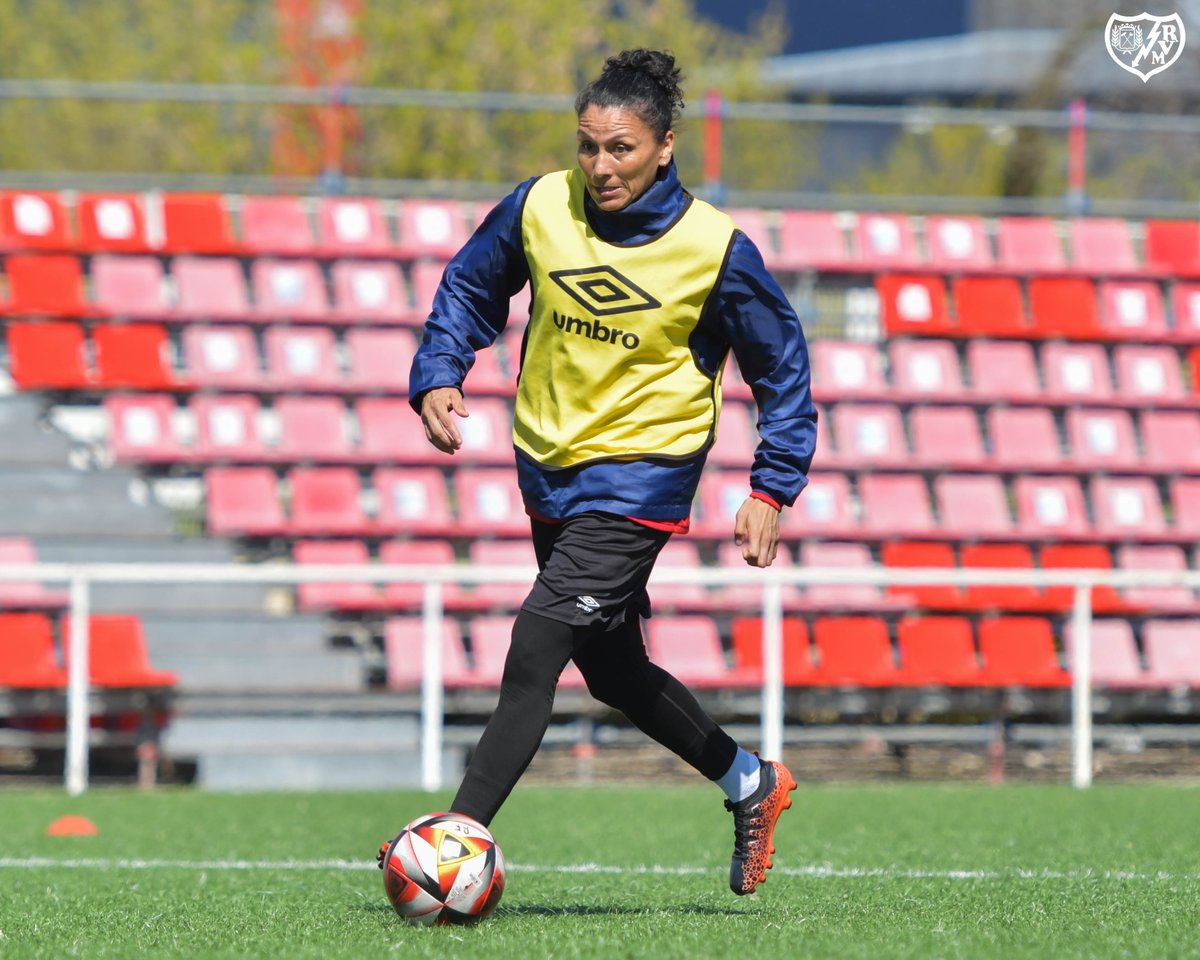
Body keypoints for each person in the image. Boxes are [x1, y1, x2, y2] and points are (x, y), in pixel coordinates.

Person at [406, 48, 817, 896]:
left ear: (665, 145)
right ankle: (752, 784)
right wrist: (441, 370)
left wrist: (772, 486)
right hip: (550, 468)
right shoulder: (539, 206)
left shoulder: (715, 250)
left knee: (536, 643)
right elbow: (470, 287)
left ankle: (449, 847)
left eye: (621, 148)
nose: (600, 166)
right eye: (589, 146)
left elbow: (782, 368)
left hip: (641, 480)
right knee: (611, 668)